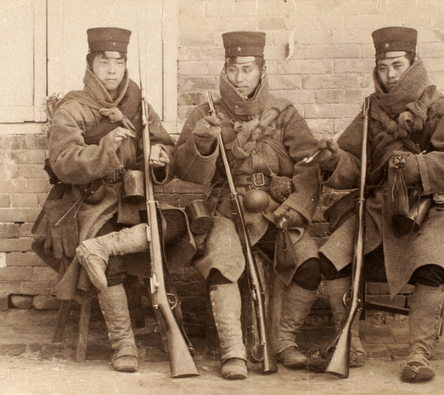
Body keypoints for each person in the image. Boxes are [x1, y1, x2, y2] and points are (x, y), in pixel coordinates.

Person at [307, 26, 444, 382]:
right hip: (380, 206)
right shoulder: (371, 112)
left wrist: (417, 166)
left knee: (431, 266)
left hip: (428, 209)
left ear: (413, 63)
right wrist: (332, 160)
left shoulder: (441, 109)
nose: (390, 75)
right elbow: (355, 165)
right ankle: (348, 344)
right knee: (331, 258)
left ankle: (419, 354)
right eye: (383, 67)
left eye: (397, 65)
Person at [172, 31, 335, 379]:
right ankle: (233, 351)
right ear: (225, 70)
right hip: (226, 210)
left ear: (262, 70)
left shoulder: (284, 114)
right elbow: (185, 173)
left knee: (307, 261)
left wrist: (295, 209)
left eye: (247, 69)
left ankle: (283, 342)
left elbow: (308, 165)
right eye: (233, 69)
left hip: (275, 212)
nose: (239, 78)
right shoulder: (206, 113)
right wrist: (202, 141)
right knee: (223, 263)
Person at [32, 27, 195, 373]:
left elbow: (166, 145)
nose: (111, 69)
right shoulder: (72, 108)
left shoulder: (140, 105)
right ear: (91, 63)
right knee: (114, 262)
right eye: (103, 61)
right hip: (88, 202)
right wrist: (105, 151)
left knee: (180, 226)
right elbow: (63, 162)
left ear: (125, 66)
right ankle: (124, 345)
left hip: (134, 198)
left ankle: (102, 248)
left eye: (118, 62)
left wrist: (160, 157)